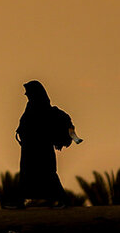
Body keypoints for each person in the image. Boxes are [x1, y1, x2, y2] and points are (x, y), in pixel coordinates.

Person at [15, 80, 76, 208]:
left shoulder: (41, 108)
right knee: (27, 175)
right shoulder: (32, 106)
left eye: (28, 92)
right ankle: (20, 201)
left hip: (40, 149)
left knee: (49, 175)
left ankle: (64, 200)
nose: (26, 94)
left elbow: (39, 126)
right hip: (30, 148)